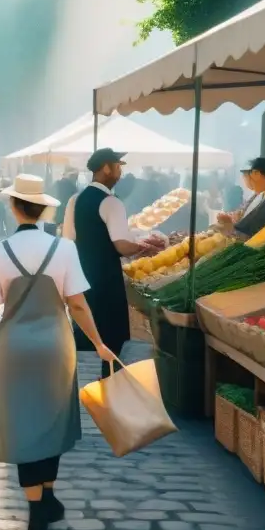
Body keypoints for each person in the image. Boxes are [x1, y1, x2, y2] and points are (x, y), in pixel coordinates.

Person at [0, 174, 115, 530]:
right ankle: (46, 499)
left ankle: (39, 508)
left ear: (14, 206)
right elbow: (78, 304)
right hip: (56, 347)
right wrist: (99, 344)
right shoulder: (65, 250)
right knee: (52, 421)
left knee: (22, 425)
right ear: (41, 209)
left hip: (13, 349)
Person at [63, 149, 160, 378]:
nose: (120, 171)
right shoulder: (111, 202)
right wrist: (145, 247)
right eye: (118, 166)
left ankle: (81, 388)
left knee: (86, 332)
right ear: (106, 168)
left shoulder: (75, 200)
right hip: (107, 280)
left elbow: (68, 238)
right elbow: (122, 246)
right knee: (112, 340)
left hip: (82, 276)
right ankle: (109, 389)